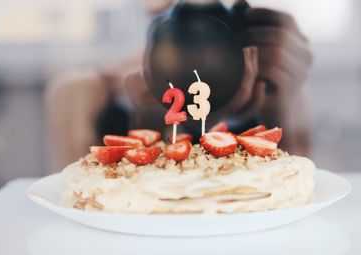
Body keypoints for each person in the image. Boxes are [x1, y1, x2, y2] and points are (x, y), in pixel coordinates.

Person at [45, 0, 312, 170]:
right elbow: (85, 199)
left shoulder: (272, 78)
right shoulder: (85, 90)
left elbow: (297, 189)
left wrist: (281, 106)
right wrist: (148, 125)